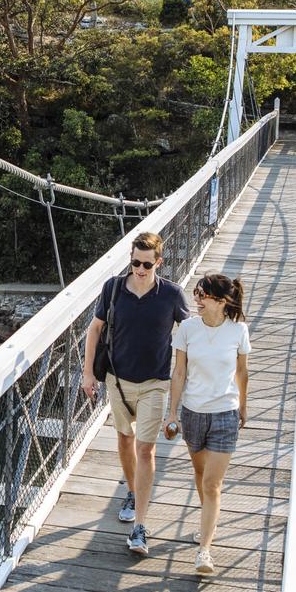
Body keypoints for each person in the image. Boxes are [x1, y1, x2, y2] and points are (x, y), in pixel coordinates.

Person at [82, 232, 190, 556]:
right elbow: (95, 329)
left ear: (159, 262)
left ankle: (140, 528)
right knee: (124, 440)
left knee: (146, 450)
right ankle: (131, 490)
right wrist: (88, 373)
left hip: (156, 382)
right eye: (135, 263)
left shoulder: (171, 295)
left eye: (146, 264)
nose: (140, 270)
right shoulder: (113, 288)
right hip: (117, 381)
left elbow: (188, 336)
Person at [164, 274, 250, 577]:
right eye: (196, 294)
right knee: (200, 475)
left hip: (225, 413)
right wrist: (171, 413)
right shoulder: (187, 328)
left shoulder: (238, 330)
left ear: (221, 300)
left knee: (212, 483)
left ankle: (205, 550)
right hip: (192, 413)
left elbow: (242, 372)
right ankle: (207, 524)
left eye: (202, 295)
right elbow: (179, 373)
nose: (197, 300)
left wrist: (244, 406)